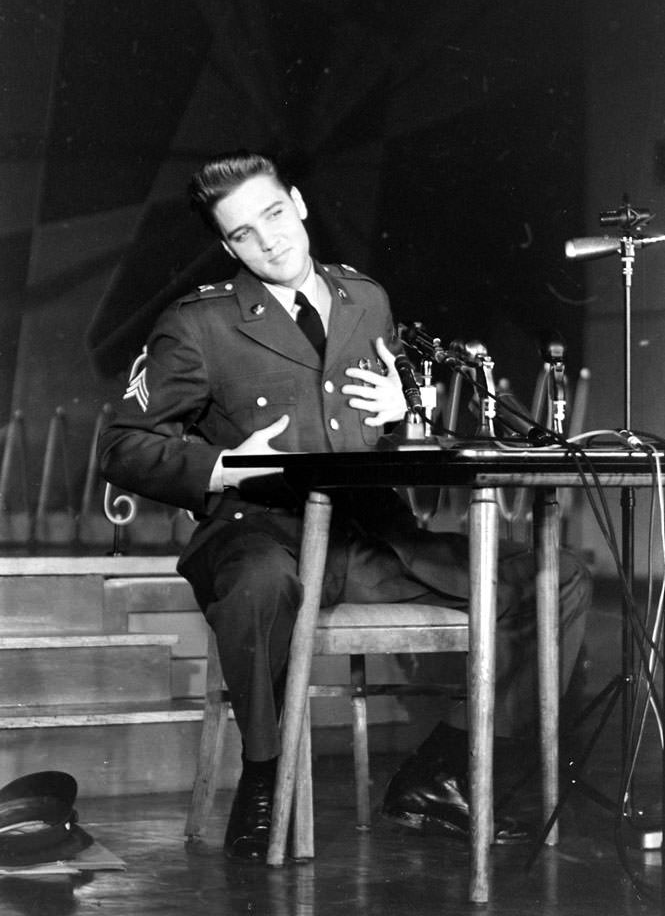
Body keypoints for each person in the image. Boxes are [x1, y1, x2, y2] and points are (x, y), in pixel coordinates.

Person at [98, 150, 592, 862]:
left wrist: (401, 417)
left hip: (368, 537)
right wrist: (224, 467)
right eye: (243, 234)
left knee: (557, 580)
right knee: (258, 586)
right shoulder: (197, 324)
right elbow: (123, 446)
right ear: (227, 244)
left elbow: (375, 427)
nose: (268, 241)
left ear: (297, 204)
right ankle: (264, 780)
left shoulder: (367, 300)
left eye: (273, 214)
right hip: (261, 532)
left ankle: (441, 772)